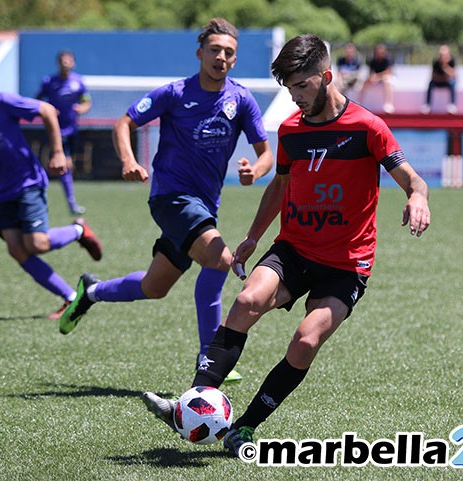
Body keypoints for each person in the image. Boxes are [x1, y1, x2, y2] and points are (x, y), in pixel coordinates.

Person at [141, 33, 431, 457]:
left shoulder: (368, 128)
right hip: (293, 248)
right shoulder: (292, 130)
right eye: (289, 87)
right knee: (246, 301)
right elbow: (279, 185)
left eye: (302, 86)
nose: (294, 97)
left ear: (326, 76)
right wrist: (253, 236)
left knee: (305, 341)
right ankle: (192, 404)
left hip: (346, 262)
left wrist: (418, 197)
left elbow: (412, 178)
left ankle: (244, 427)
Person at [59, 19, 274, 384]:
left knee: (153, 287)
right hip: (170, 198)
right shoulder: (175, 93)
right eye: (214, 50)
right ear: (200, 53)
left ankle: (89, 292)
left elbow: (266, 152)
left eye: (228, 53)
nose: (220, 57)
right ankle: (210, 357)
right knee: (220, 257)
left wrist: (255, 170)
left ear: (235, 60)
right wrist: (128, 160)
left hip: (204, 207)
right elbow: (123, 124)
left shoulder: (241, 99)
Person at [0, 57, 103, 319]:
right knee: (16, 249)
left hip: (27, 182)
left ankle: (79, 229)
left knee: (37, 243)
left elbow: (47, 110)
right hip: (0, 193)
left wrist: (58, 152)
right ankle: (71, 298)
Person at [36, 50, 92, 215]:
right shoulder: (49, 82)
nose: (66, 63)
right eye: (63, 60)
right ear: (58, 63)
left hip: (73, 129)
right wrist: (48, 111)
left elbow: (87, 101)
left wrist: (82, 108)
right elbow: (38, 100)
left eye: (69, 60)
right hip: (56, 130)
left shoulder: (78, 82)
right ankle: (70, 203)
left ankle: (62, 199)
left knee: (66, 166)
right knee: (64, 165)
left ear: (73, 63)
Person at [359, 43, 395, 114]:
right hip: (377, 78)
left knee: (387, 81)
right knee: (365, 82)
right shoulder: (373, 60)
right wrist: (372, 77)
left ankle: (388, 104)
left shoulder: (387, 59)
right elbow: (371, 72)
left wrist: (377, 77)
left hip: (385, 77)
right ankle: (359, 102)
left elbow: (389, 72)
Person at [421, 44, 457, 114]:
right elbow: (432, 76)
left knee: (452, 83)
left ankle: (452, 105)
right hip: (438, 81)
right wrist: (442, 78)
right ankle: (427, 105)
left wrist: (445, 67)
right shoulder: (436, 62)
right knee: (431, 84)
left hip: (447, 82)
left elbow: (453, 75)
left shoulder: (452, 61)